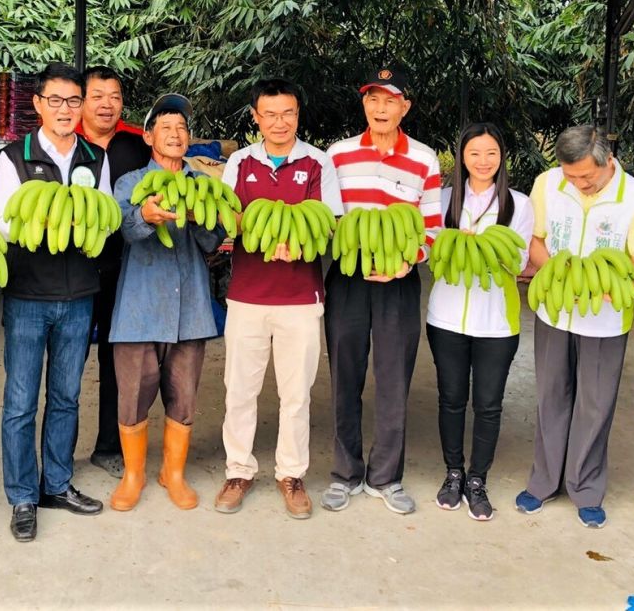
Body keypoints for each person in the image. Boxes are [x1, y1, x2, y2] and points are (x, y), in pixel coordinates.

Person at [516, 124, 634, 529]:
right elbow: (534, 240)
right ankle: (543, 482)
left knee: (594, 406)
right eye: (571, 176)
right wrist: (562, 276)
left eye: (587, 177)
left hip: (606, 320)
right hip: (556, 310)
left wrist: (609, 289)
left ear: (608, 161)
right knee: (551, 396)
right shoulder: (547, 183)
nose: (579, 184)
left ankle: (586, 488)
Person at [0, 63, 111, 542]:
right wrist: (56, 224)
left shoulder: (95, 157)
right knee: (20, 401)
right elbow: (5, 223)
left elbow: (104, 216)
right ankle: (23, 496)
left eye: (73, 101)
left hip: (79, 295)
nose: (65, 110)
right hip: (28, 294)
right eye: (55, 100)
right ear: (38, 104)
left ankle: (57, 484)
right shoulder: (14, 156)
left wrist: (83, 226)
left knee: (66, 397)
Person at [215, 78, 343, 519]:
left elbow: (329, 223)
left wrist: (300, 243)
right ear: (256, 117)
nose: (279, 122)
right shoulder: (240, 162)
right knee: (239, 390)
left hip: (300, 297)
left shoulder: (318, 162)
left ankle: (291, 474)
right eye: (269, 114)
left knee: (296, 394)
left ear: (297, 115)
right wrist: (255, 230)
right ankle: (238, 471)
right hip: (247, 294)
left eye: (287, 113)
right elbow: (229, 218)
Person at [322, 65, 442, 515]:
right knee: (344, 377)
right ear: (364, 104)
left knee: (393, 380)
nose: (380, 108)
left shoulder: (425, 159)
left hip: (398, 281)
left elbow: (432, 226)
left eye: (390, 100)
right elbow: (328, 218)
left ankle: (386, 477)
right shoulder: (338, 154)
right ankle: (345, 474)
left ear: (404, 107)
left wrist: (407, 262)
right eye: (373, 99)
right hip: (348, 275)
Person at [108, 94, 225, 512]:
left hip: (190, 309)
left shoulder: (202, 184)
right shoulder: (132, 184)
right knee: (132, 396)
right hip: (139, 309)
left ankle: (172, 473)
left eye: (182, 128)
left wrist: (199, 218)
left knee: (184, 395)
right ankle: (133, 475)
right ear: (148, 136)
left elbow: (214, 241)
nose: (176, 134)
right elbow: (122, 230)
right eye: (166, 127)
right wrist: (144, 217)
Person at [427, 123, 534, 522]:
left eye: (491, 153)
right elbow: (432, 254)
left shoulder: (519, 204)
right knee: (451, 399)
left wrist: (480, 246)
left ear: (502, 157)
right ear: (461, 157)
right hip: (446, 318)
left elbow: (519, 262)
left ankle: (477, 479)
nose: (483, 161)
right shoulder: (442, 200)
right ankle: (453, 472)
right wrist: (457, 244)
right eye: (474, 153)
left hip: (497, 323)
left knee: (488, 404)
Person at [76, 66, 151, 478]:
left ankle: (108, 446)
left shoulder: (137, 143)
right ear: (82, 101)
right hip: (74, 268)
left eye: (115, 96)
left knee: (117, 359)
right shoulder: (67, 141)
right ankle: (59, 452)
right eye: (98, 96)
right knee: (68, 359)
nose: (107, 104)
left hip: (126, 267)